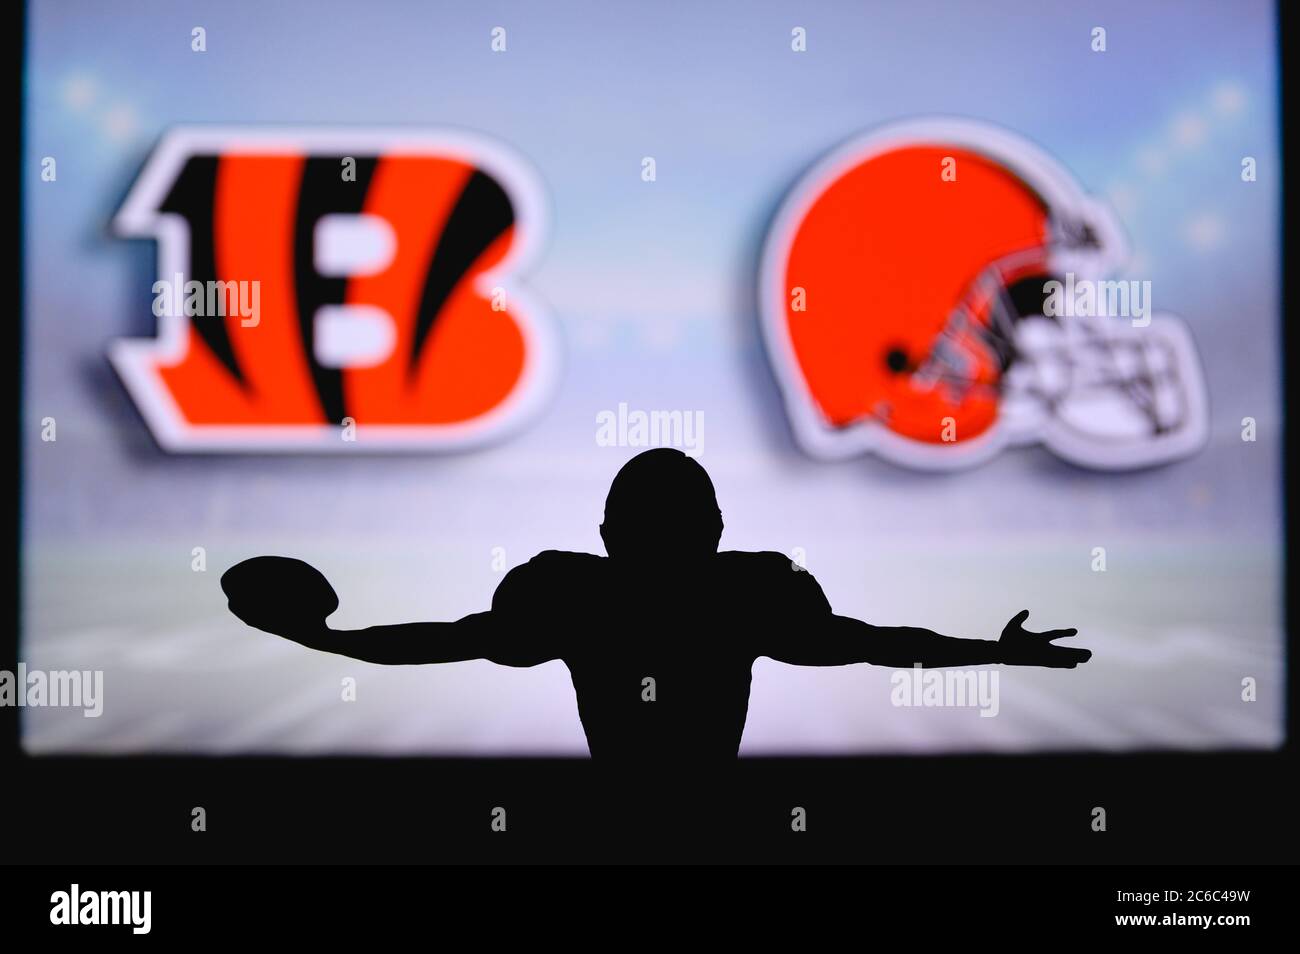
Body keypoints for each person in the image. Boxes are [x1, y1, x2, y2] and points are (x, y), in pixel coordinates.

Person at [222, 448, 1090, 762]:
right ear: (715, 528)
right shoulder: (746, 594)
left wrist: (326, 639)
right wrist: (996, 651)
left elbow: (441, 640)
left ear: (605, 533)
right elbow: (874, 643)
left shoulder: (574, 596)